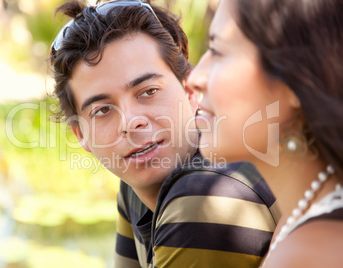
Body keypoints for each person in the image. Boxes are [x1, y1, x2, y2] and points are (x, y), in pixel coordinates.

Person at [49, 0, 279, 267]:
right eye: (102, 110)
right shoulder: (136, 183)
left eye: (148, 91)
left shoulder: (205, 196)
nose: (130, 123)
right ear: (81, 134)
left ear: (190, 91)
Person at [187, 0, 343, 267]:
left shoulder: (308, 254)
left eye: (217, 51)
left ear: (296, 77)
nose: (194, 78)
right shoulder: (297, 222)